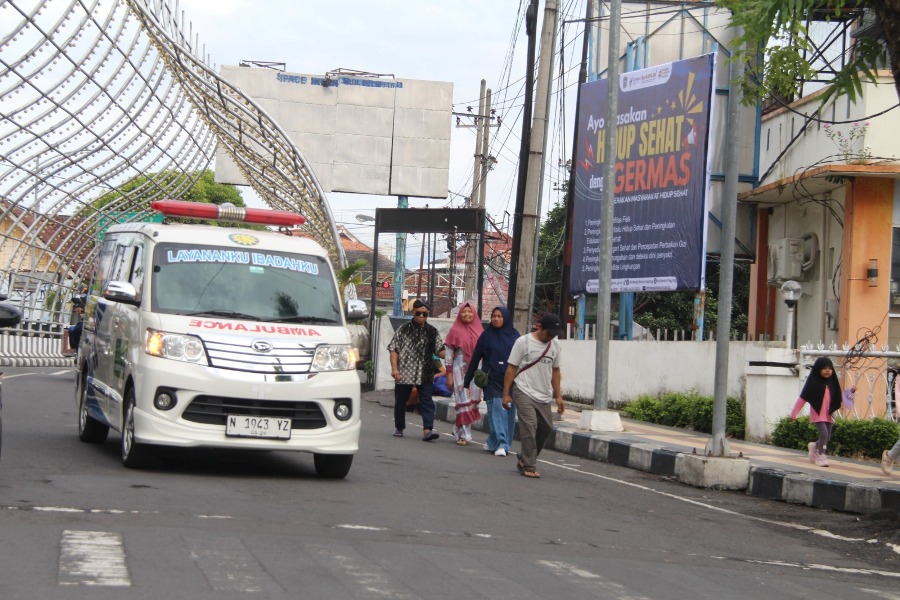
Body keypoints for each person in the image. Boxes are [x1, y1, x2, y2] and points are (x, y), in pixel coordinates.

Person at [502, 313, 564, 478]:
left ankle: (524, 457)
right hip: (523, 389)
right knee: (530, 426)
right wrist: (506, 394)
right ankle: (529, 465)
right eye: (548, 333)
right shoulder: (523, 342)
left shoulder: (555, 345)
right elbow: (511, 368)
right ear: (539, 327)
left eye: (554, 334)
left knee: (546, 428)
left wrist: (558, 396)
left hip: (544, 394)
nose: (550, 337)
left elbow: (556, 371)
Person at [465, 306, 520, 456]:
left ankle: (495, 442)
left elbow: (523, 359)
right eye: (494, 316)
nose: (496, 319)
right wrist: (467, 380)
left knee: (508, 412)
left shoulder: (515, 336)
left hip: (511, 381)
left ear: (506, 318)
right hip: (492, 378)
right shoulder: (486, 336)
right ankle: (501, 443)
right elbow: (476, 357)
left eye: (499, 316)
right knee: (496, 410)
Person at [387, 299, 445, 441]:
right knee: (401, 401)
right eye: (418, 313)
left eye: (424, 314)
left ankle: (427, 430)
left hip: (425, 373)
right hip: (404, 373)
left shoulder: (432, 332)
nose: (421, 316)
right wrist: (395, 369)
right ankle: (399, 427)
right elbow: (394, 349)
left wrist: (453, 353)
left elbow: (440, 351)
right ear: (413, 312)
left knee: (426, 401)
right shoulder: (403, 330)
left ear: (428, 315)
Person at [791, 356, 846, 467]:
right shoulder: (813, 383)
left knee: (828, 436)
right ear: (817, 369)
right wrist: (794, 413)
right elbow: (803, 398)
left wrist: (851, 392)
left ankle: (814, 446)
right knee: (824, 435)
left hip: (828, 414)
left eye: (829, 368)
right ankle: (821, 455)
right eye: (824, 368)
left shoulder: (832, 383)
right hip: (817, 413)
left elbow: (838, 396)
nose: (827, 370)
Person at [443, 301, 484, 446]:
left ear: (474, 313)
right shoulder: (454, 331)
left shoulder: (480, 332)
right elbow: (448, 354)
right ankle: (465, 435)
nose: (467, 314)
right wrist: (448, 375)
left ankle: (457, 427)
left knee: (472, 402)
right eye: (464, 312)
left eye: (469, 312)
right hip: (459, 369)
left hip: (476, 370)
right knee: (463, 402)